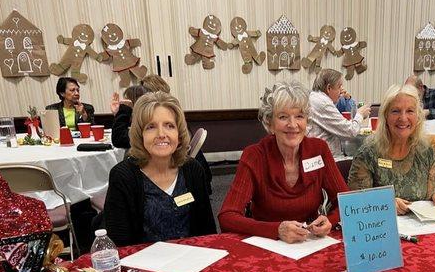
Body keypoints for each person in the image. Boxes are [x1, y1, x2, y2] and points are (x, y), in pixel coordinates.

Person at [218, 81, 349, 243]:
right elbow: (227, 216)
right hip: (267, 244)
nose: (293, 125)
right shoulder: (254, 156)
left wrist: (331, 220)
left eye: (299, 116)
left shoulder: (319, 150)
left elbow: (346, 202)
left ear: (307, 121)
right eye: (283, 117)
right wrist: (276, 230)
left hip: (311, 243)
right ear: (269, 123)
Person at [104, 92, 216, 246]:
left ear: (179, 133)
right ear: (140, 134)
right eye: (151, 127)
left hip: (191, 261)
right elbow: (120, 245)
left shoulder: (192, 169)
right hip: (143, 265)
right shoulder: (124, 176)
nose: (161, 134)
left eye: (169, 126)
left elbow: (207, 232)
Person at [347, 84, 435, 215]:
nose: (403, 118)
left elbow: (432, 194)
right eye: (395, 111)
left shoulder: (425, 150)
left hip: (421, 229)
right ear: (385, 116)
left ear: (418, 117)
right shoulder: (368, 153)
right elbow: (355, 205)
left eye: (410, 111)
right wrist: (384, 205)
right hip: (381, 230)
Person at [307, 69, 371, 159]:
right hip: (326, 158)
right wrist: (360, 114)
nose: (341, 91)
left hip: (321, 154)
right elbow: (351, 131)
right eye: (339, 86)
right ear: (329, 88)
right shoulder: (323, 103)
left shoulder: (315, 97)